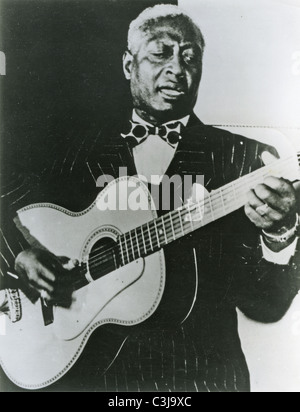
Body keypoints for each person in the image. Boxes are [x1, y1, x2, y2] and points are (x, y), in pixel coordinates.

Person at [0, 4, 299, 392]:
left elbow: (268, 305)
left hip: (200, 380)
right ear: (129, 65)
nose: (178, 68)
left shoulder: (247, 161)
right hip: (92, 379)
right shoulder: (74, 151)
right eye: (161, 53)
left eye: (190, 57)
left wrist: (281, 233)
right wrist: (19, 256)